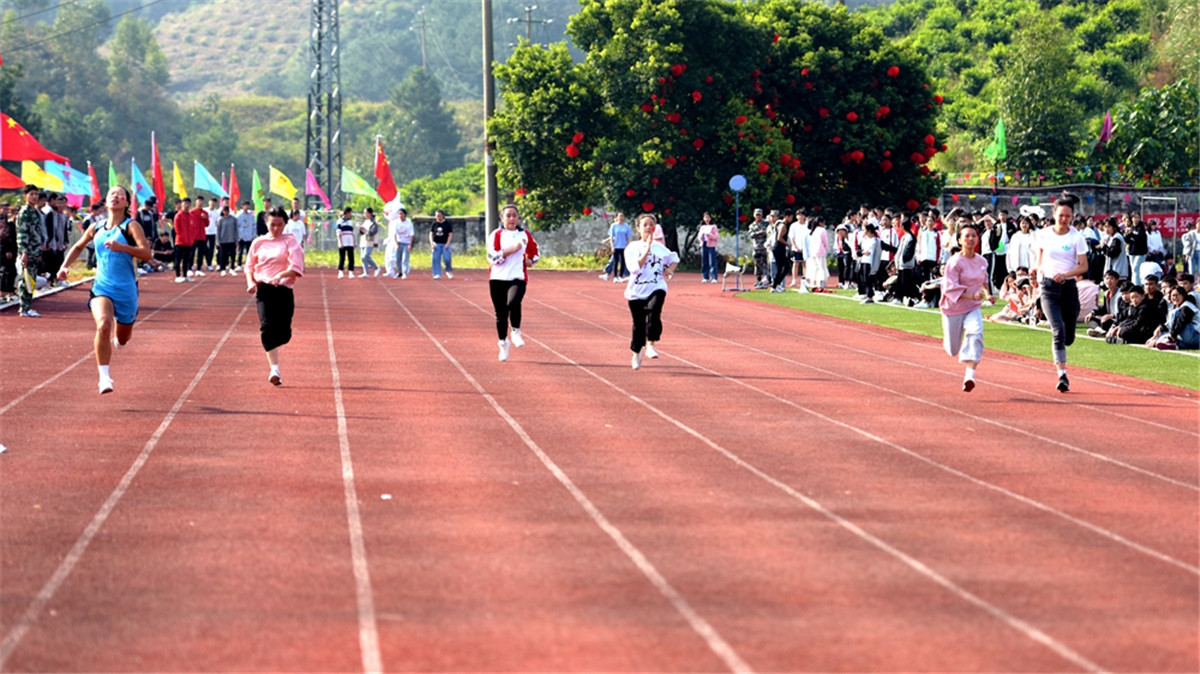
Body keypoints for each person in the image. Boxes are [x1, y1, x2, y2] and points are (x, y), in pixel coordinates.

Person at [56, 185, 151, 394]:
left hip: (127, 290)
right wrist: (64, 266)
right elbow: (79, 246)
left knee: (123, 339)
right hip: (102, 286)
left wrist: (123, 248)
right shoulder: (96, 227)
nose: (116, 197)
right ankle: (104, 378)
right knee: (103, 325)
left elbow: (146, 253)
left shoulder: (131, 226)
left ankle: (120, 336)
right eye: (112, 194)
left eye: (121, 195)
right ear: (106, 201)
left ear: (126, 203)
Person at [1035, 192, 1090, 392]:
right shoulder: (1044, 234)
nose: (1064, 219)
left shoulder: (1077, 237)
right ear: (1054, 214)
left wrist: (1066, 274)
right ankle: (1062, 375)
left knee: (1068, 336)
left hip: (1068, 288)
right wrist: (1038, 271)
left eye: (1067, 216)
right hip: (1048, 288)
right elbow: (1039, 255)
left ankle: (1068, 338)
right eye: (1061, 215)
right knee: (1057, 330)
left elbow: (1083, 266)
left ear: (1072, 216)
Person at [245, 207, 305, 386]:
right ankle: (274, 369)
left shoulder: (290, 241)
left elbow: (297, 267)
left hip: (283, 289)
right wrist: (250, 282)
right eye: (272, 225)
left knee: (284, 333)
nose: (276, 229)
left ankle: (279, 343)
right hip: (264, 289)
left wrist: (281, 275)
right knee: (266, 327)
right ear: (266, 223)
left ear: (285, 224)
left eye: (280, 225)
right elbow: (249, 266)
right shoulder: (258, 242)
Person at [940, 225, 993, 392]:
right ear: (959, 240)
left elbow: (983, 279)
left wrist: (988, 293)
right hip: (953, 308)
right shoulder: (954, 262)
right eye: (967, 236)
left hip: (972, 307)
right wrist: (971, 295)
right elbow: (949, 288)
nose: (971, 239)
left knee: (976, 332)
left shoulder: (982, 261)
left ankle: (969, 376)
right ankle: (954, 343)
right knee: (952, 350)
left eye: (973, 236)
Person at [624, 214, 679, 370]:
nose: (649, 228)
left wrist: (670, 270)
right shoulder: (632, 248)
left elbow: (674, 258)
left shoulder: (659, 247)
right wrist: (647, 248)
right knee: (638, 325)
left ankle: (651, 343)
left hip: (656, 286)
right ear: (638, 228)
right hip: (636, 290)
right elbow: (635, 268)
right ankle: (636, 352)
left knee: (655, 311)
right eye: (645, 225)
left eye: (652, 225)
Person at [487, 204, 540, 362]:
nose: (511, 219)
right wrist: (511, 250)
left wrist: (531, 260)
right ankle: (503, 343)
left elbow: (535, 251)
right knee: (501, 314)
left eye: (514, 215)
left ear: (518, 218)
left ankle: (516, 331)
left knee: (514, 302)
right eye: (508, 216)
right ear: (502, 218)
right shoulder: (496, 235)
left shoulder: (524, 235)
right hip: (497, 278)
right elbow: (492, 258)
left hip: (518, 277)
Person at [15, 185, 46, 316]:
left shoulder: (35, 211)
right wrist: (24, 253)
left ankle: (27, 306)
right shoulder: (25, 212)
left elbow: (37, 233)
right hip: (27, 251)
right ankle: (24, 308)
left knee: (31, 279)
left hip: (35, 251)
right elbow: (22, 234)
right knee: (26, 280)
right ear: (25, 196)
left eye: (36, 194)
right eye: (31, 194)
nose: (35, 196)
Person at [1150, 286, 1200, 350]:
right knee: (1160, 339)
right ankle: (1177, 346)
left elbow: (1181, 321)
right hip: (1193, 340)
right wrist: (1160, 328)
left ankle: (1173, 342)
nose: (1175, 298)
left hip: (1195, 336)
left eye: (1177, 295)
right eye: (1173, 295)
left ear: (1183, 295)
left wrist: (1171, 337)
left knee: (1176, 314)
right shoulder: (1178, 307)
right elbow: (1169, 325)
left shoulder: (1187, 306)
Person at [600, 211, 632, 282]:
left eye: (622, 216)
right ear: (616, 217)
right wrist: (612, 246)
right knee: (615, 261)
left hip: (624, 246)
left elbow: (628, 237)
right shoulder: (614, 226)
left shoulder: (626, 226)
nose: (621, 217)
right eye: (620, 216)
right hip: (616, 246)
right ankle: (615, 277)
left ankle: (620, 276)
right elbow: (611, 237)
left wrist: (628, 246)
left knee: (623, 262)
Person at [172, 198, 197, 284]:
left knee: (187, 259)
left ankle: (185, 275)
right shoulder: (178, 216)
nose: (186, 205)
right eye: (185, 203)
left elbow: (194, 228)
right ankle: (178, 276)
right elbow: (177, 229)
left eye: (188, 203)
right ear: (182, 204)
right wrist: (182, 238)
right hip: (180, 242)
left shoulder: (191, 216)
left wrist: (192, 239)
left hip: (189, 242)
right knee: (178, 259)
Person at [430, 209, 454, 279]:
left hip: (445, 244)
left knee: (447, 259)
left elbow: (450, 234)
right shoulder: (434, 224)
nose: (438, 217)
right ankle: (437, 274)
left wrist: (447, 243)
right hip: (436, 243)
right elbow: (431, 234)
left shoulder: (447, 224)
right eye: (437, 216)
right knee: (436, 259)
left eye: (439, 216)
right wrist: (432, 243)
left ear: (443, 216)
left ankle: (448, 270)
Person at [216, 205, 239, 276]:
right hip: (223, 240)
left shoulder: (233, 219)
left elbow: (236, 230)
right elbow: (218, 231)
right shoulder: (220, 220)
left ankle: (232, 268)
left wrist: (236, 239)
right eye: (225, 211)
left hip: (232, 240)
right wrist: (218, 240)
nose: (226, 212)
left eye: (227, 211)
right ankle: (223, 269)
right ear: (223, 211)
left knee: (233, 255)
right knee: (223, 255)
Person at [391, 207, 413, 278]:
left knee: (405, 258)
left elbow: (411, 234)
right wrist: (396, 244)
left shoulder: (409, 222)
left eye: (401, 214)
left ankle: (405, 273)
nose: (400, 215)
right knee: (397, 259)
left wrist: (410, 244)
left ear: (405, 215)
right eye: (399, 214)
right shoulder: (396, 222)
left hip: (406, 243)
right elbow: (394, 234)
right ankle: (399, 272)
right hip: (399, 242)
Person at [359, 207, 381, 277]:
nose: (365, 214)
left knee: (366, 256)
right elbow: (362, 233)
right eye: (364, 213)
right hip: (363, 240)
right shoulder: (365, 221)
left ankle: (376, 268)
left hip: (370, 240)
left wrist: (364, 229)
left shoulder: (374, 222)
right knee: (362, 257)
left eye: (366, 213)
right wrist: (360, 228)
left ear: (370, 213)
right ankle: (366, 272)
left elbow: (372, 232)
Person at [335, 207, 357, 278]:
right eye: (350, 212)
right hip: (343, 241)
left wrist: (354, 242)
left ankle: (351, 272)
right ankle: (340, 271)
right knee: (342, 257)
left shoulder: (351, 222)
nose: (351, 214)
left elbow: (353, 232)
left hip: (350, 241)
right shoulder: (339, 221)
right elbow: (338, 232)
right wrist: (340, 242)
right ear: (347, 213)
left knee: (351, 257)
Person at [698, 212, 719, 283]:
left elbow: (716, 237)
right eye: (705, 217)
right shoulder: (702, 227)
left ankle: (714, 277)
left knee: (712, 262)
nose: (707, 219)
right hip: (704, 245)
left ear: (710, 218)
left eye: (708, 217)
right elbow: (699, 236)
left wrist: (709, 235)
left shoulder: (714, 226)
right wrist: (701, 237)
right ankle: (705, 277)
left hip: (711, 246)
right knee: (704, 262)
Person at [235, 201, 256, 271]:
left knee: (249, 252)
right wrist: (238, 236)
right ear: (242, 206)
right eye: (245, 205)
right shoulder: (239, 216)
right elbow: (236, 227)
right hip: (241, 237)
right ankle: (239, 265)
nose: (247, 207)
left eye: (248, 205)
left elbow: (254, 226)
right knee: (240, 252)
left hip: (249, 237)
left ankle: (248, 265)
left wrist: (253, 235)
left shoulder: (251, 216)